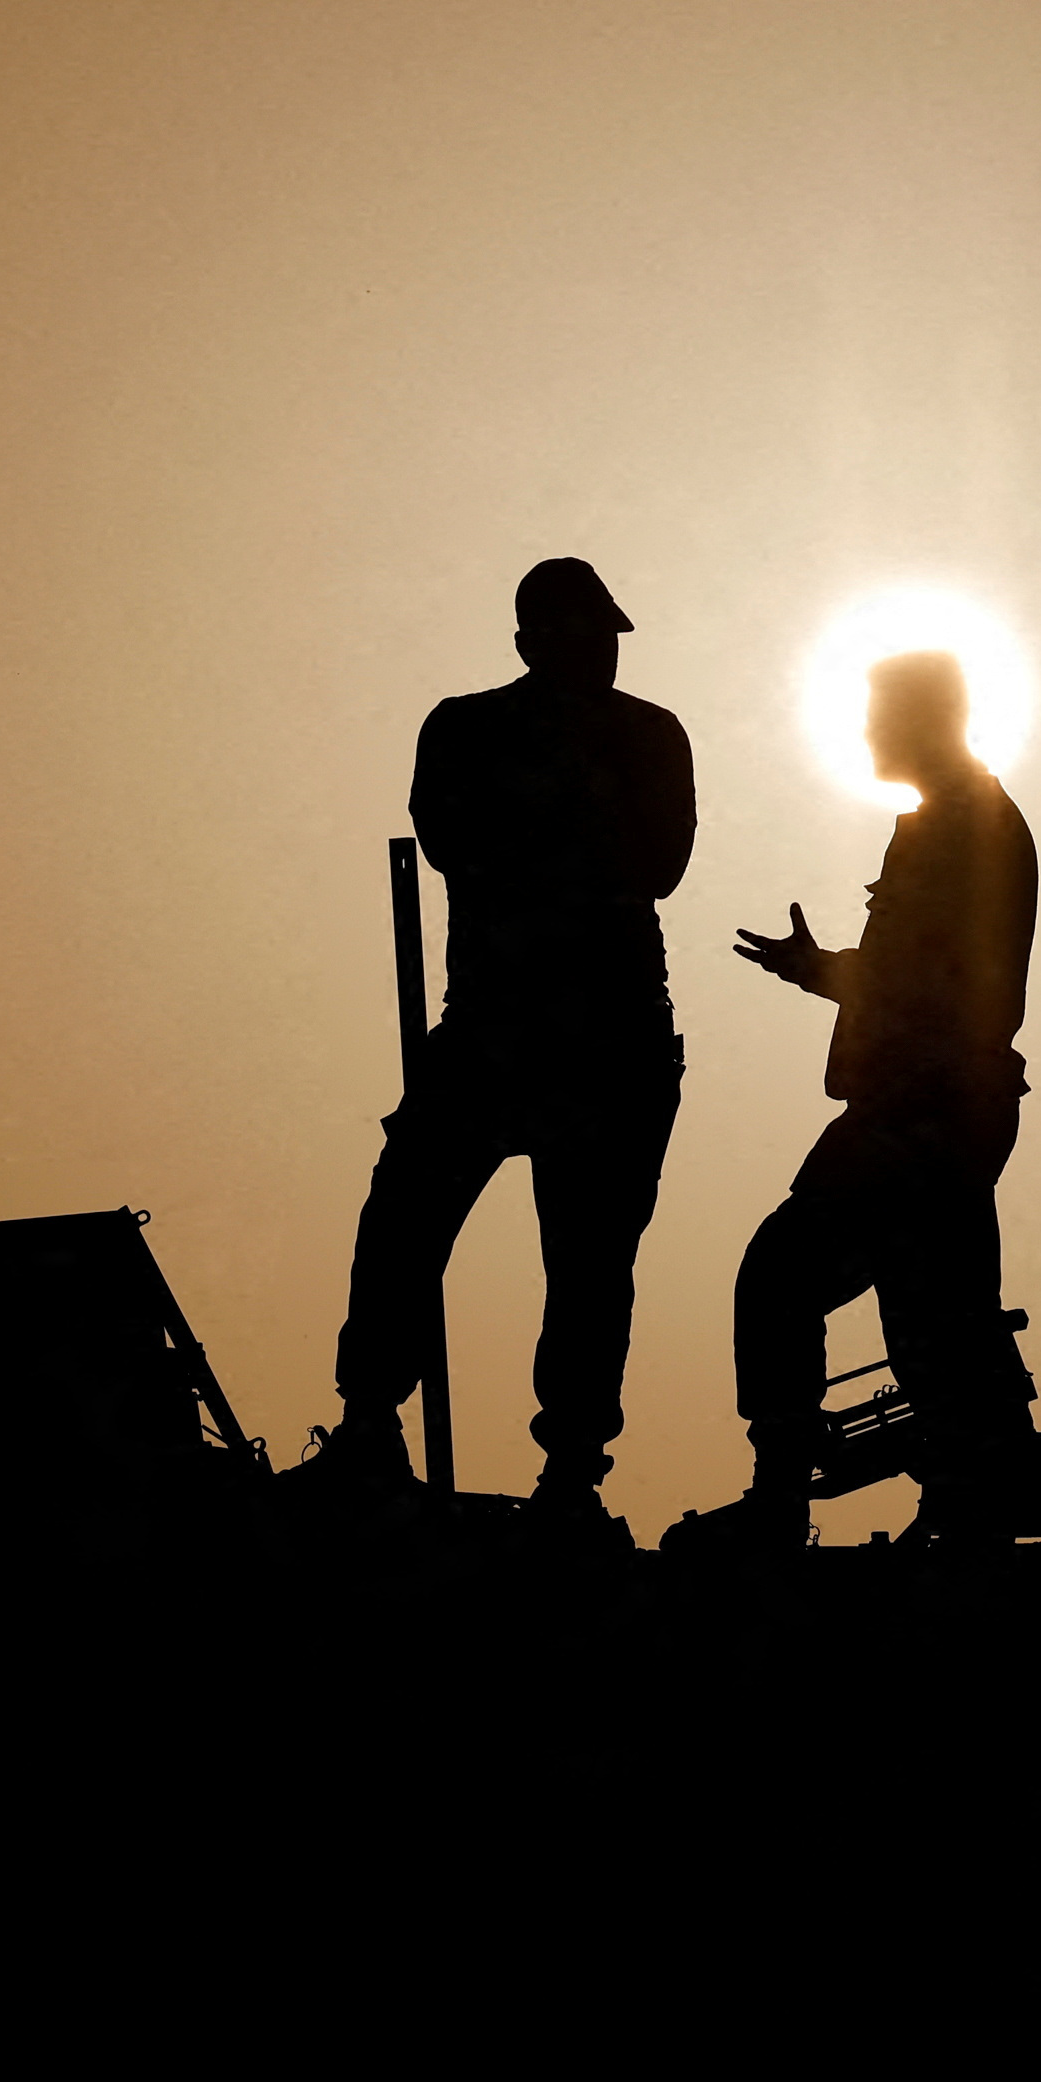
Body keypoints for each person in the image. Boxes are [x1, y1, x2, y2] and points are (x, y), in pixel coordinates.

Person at [310, 555, 696, 1523]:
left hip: (609, 1043)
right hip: (494, 1033)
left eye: (607, 636)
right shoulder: (467, 726)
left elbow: (661, 864)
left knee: (589, 1263)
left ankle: (570, 1473)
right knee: (404, 1217)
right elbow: (459, 845)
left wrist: (555, 817)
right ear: (530, 643)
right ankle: (368, 1423)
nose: (599, 653)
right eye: (580, 635)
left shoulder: (649, 734)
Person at [688, 648, 1041, 1550]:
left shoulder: (964, 830)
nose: (865, 732)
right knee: (932, 1314)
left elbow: (943, 986)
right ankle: (966, 1499)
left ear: (923, 718)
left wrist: (834, 976)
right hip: (930, 1111)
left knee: (785, 1281)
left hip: (921, 1114)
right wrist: (828, 973)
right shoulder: (948, 825)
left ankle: (786, 1498)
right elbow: (915, 976)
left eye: (879, 713)